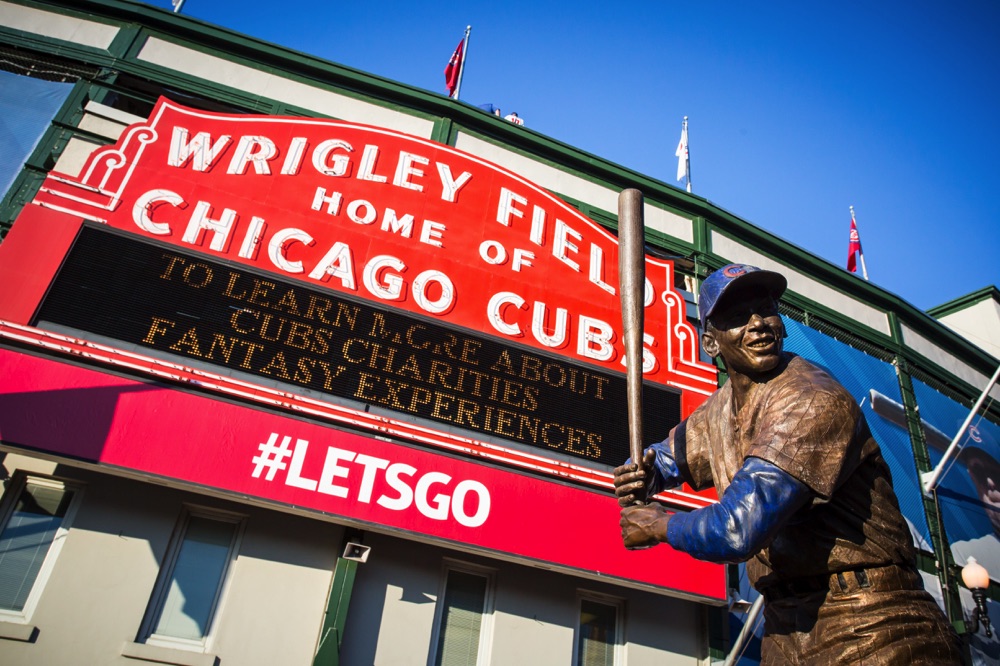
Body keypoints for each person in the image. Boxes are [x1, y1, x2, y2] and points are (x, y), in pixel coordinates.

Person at [614, 263, 962, 664]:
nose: (758, 324)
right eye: (738, 317)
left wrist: (658, 525)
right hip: (785, 628)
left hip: (874, 620)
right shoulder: (719, 411)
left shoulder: (811, 398)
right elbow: (663, 458)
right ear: (711, 343)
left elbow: (737, 529)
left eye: (766, 311)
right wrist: (641, 474)